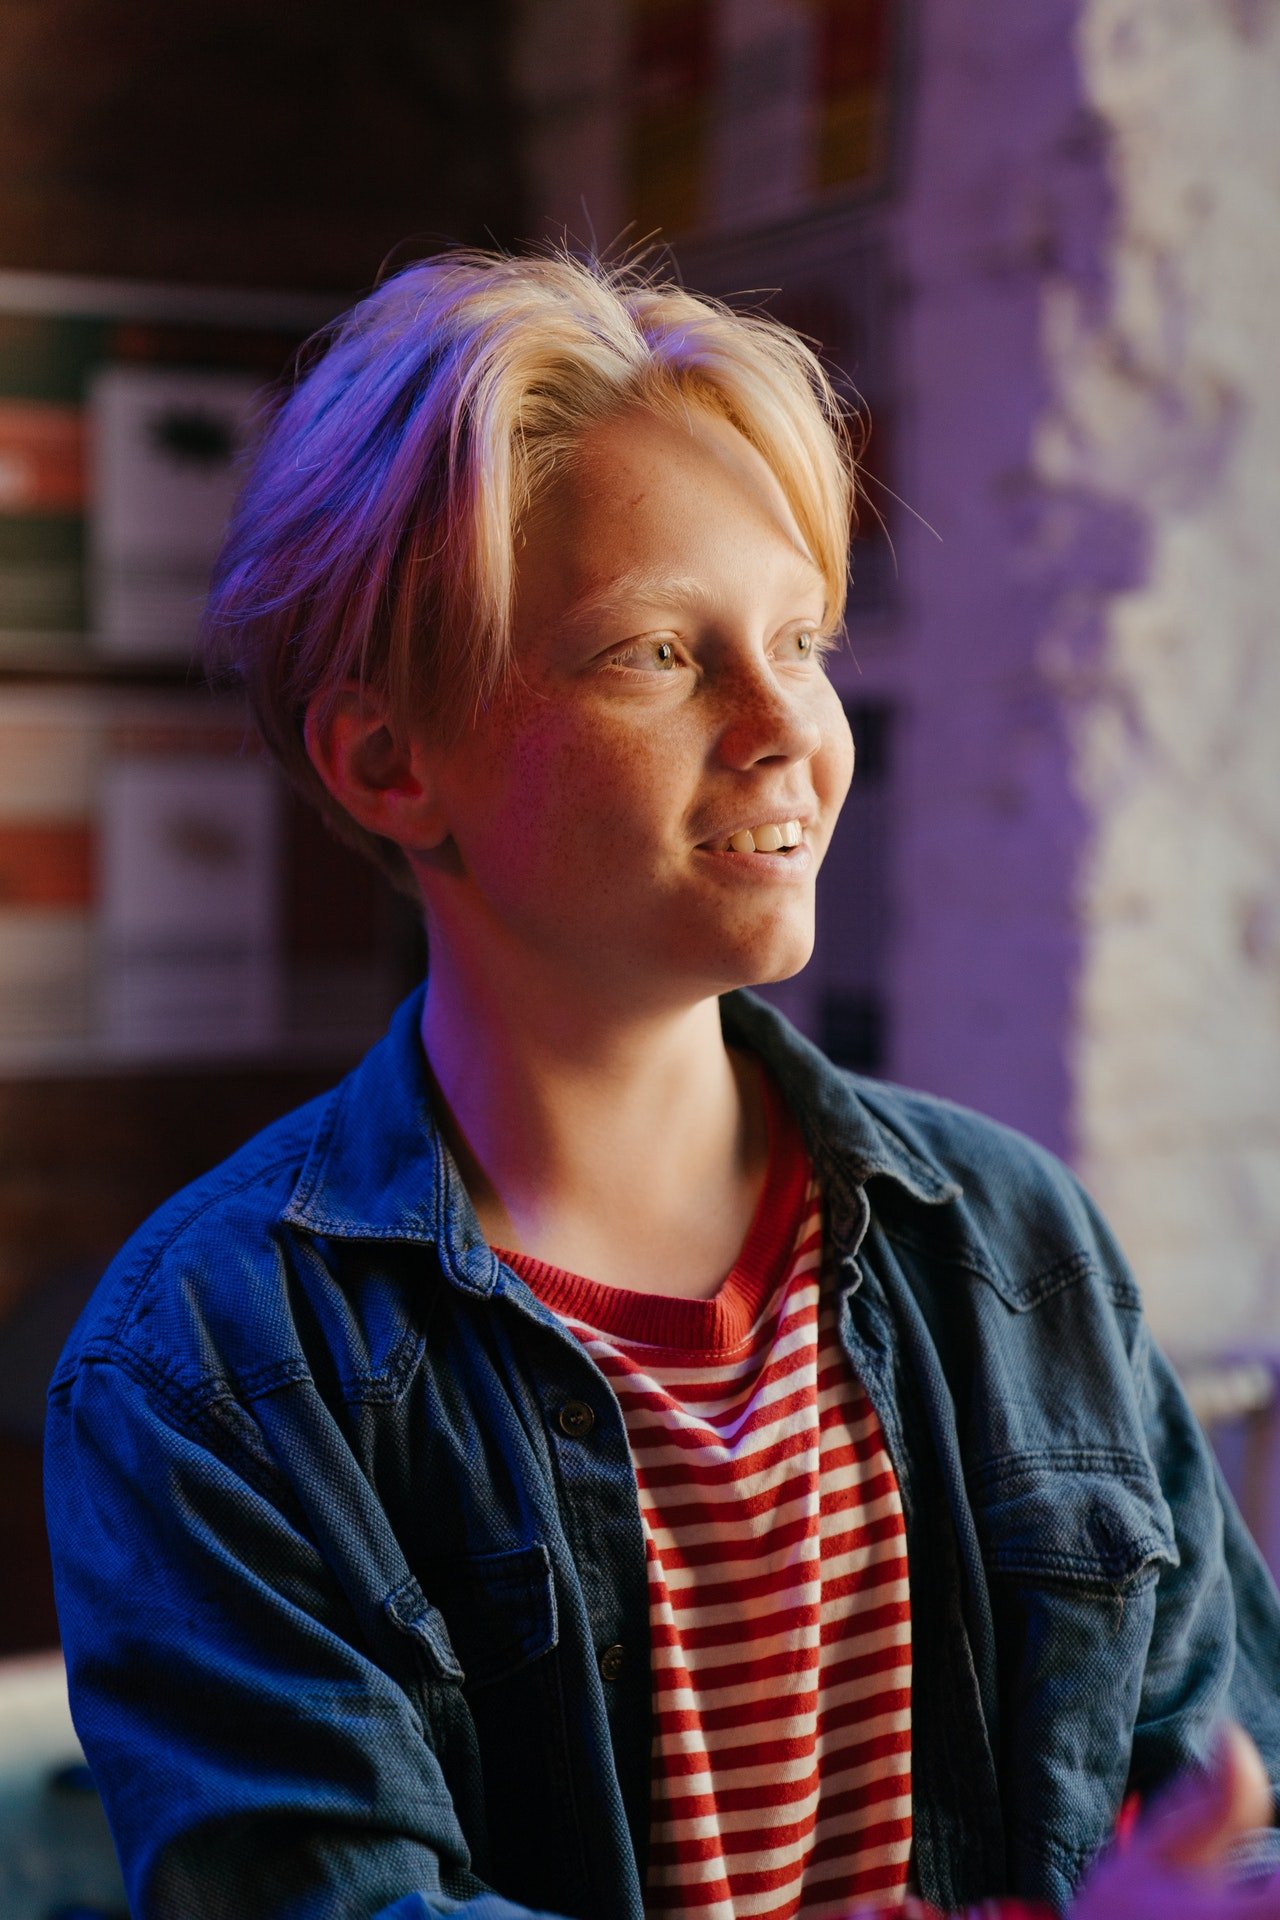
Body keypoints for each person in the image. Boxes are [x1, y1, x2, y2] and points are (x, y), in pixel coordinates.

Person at [44, 248, 1280, 1920]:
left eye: (804, 640)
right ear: (389, 759)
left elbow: (1228, 1808)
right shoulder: (211, 1366)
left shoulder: (1012, 1243)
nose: (789, 727)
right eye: (656, 655)